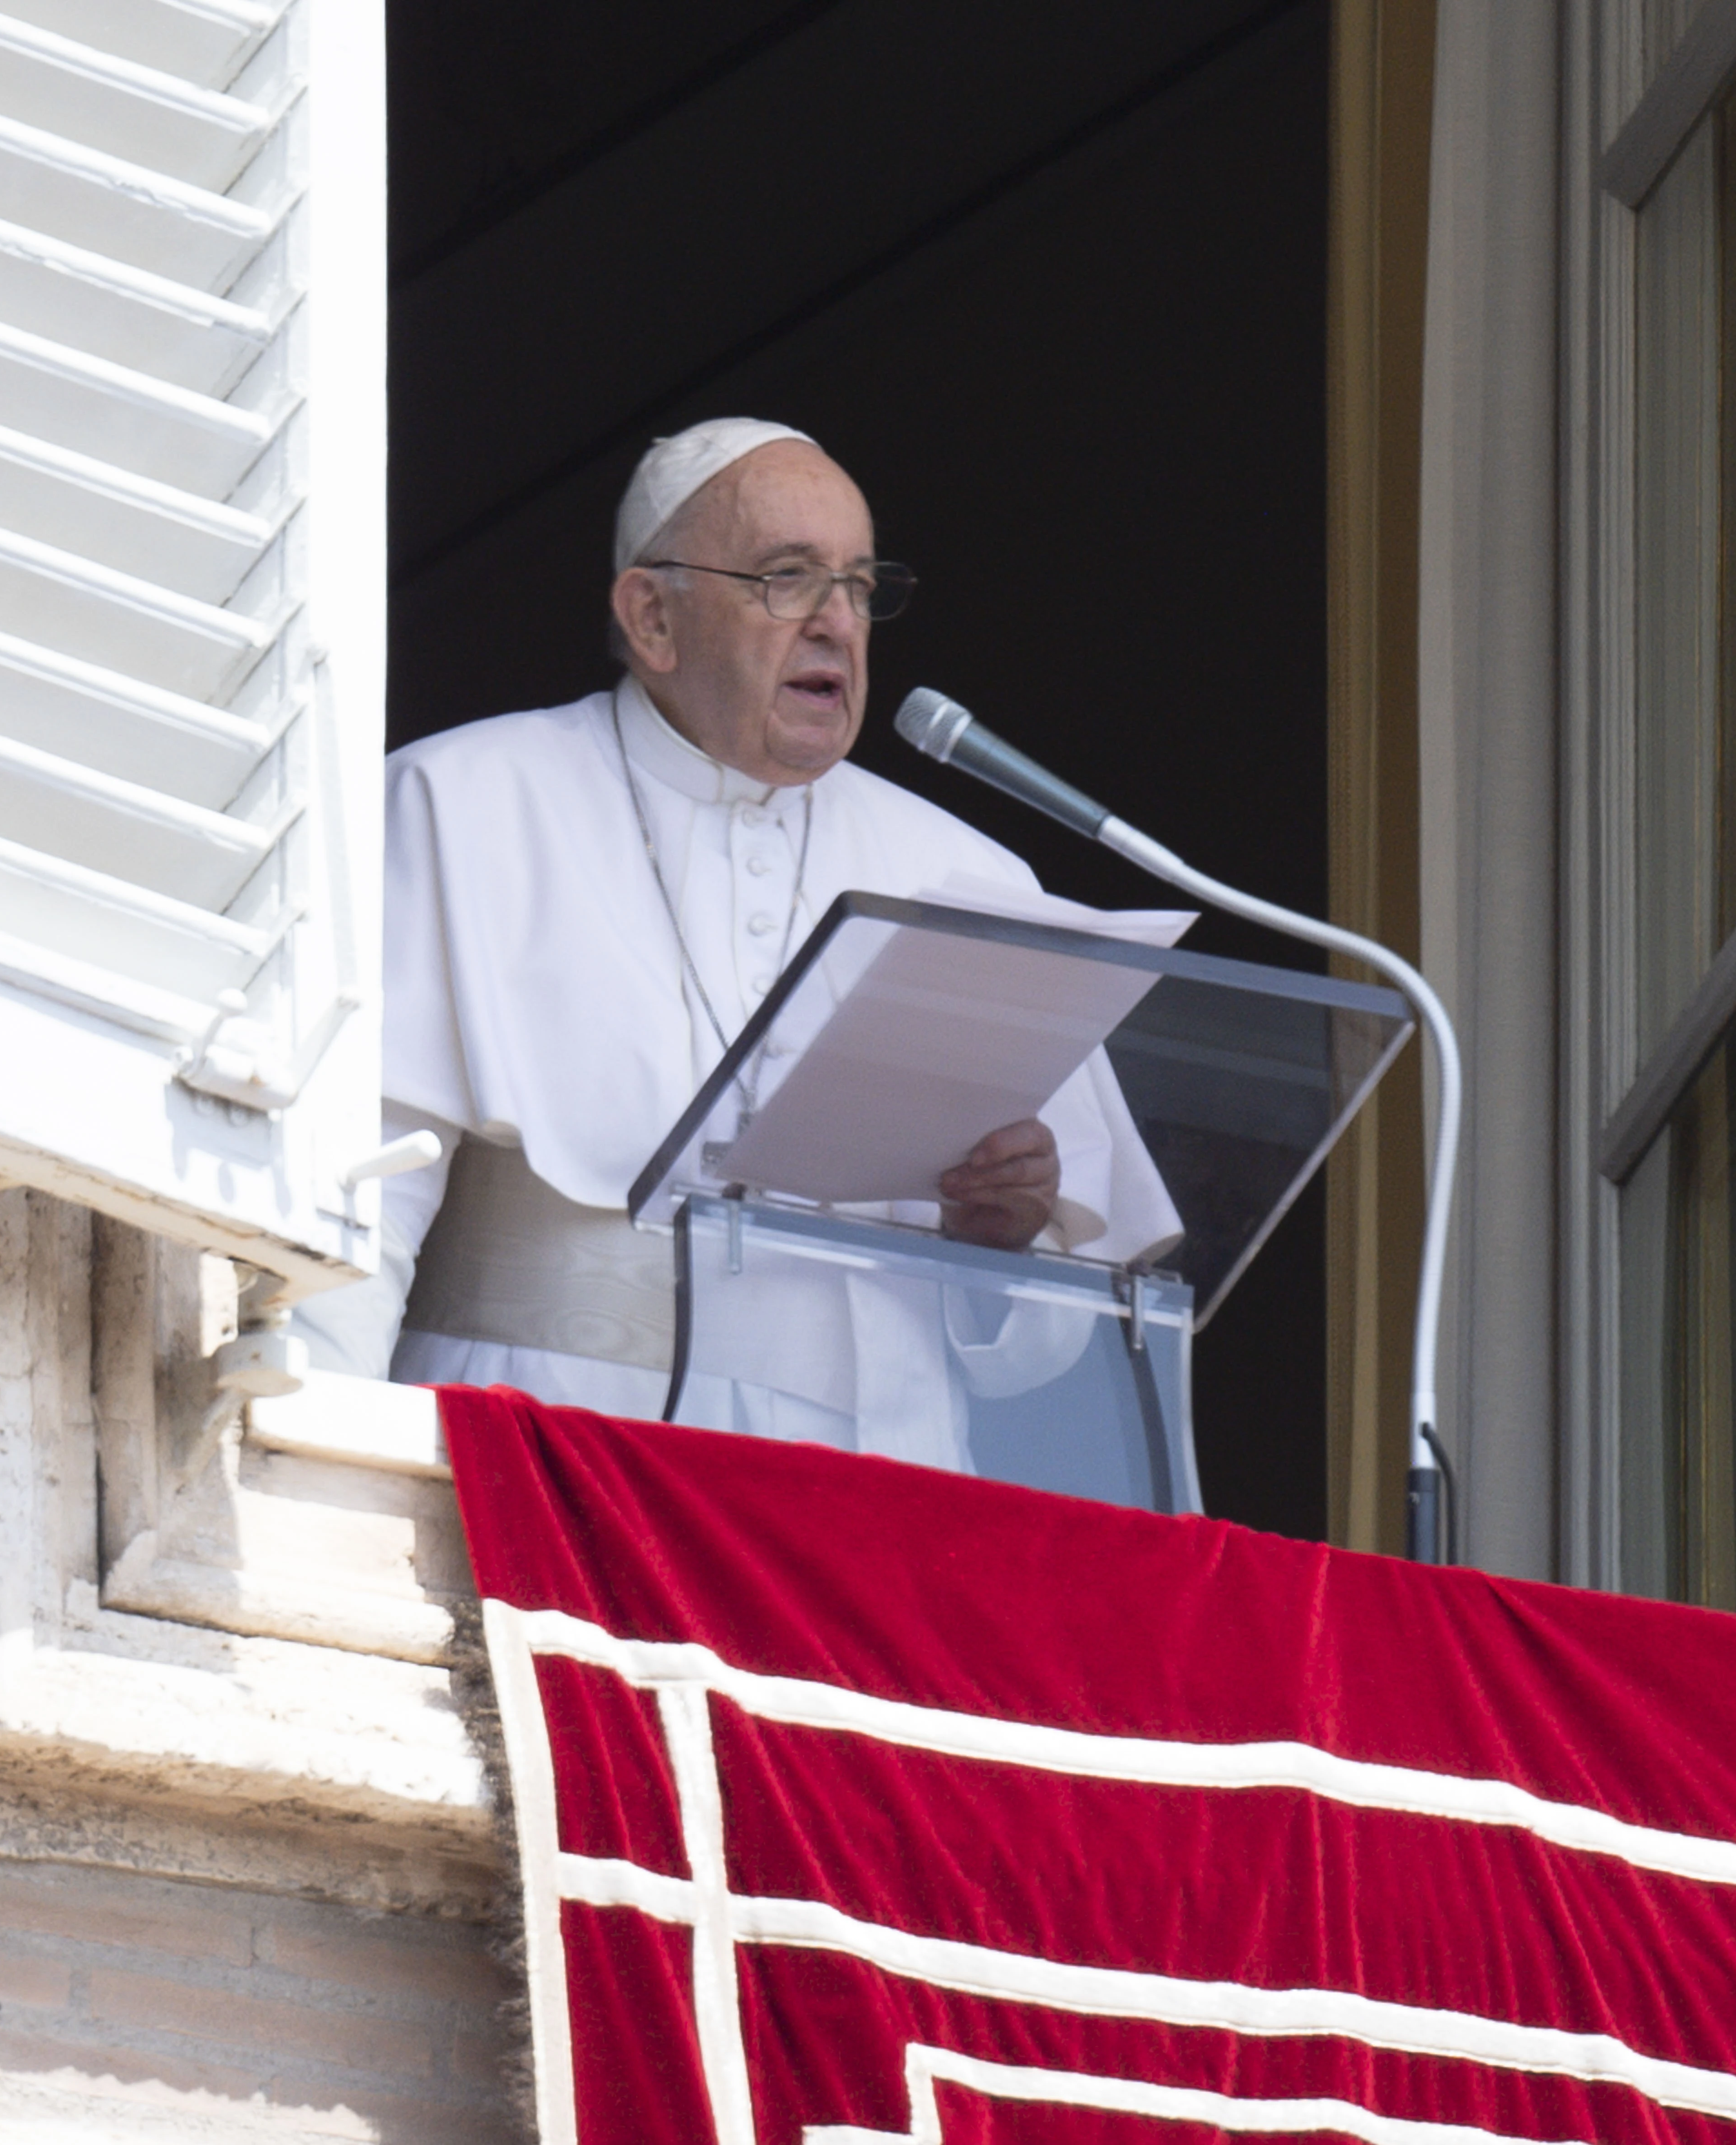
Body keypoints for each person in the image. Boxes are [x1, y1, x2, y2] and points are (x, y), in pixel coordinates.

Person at [290, 419, 1178, 1469]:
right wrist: (312, 1461)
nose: (837, 624)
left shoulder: (970, 876)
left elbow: (1035, 1352)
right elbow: (358, 1202)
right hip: (548, 1459)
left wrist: (1005, 1245)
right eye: (788, 578)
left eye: (859, 585)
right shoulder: (462, 801)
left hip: (877, 1494)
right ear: (654, 617)